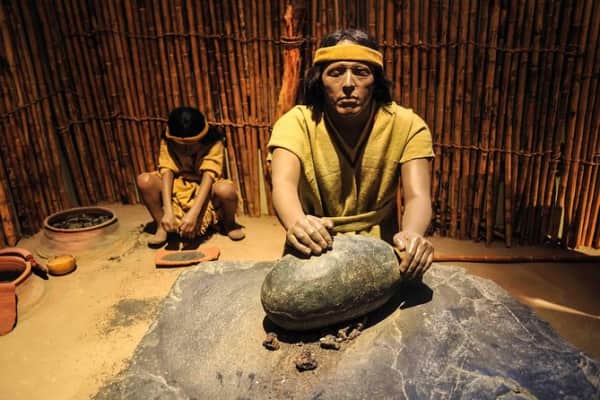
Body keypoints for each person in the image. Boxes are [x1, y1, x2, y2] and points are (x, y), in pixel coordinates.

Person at [268, 29, 434, 280]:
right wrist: (297, 223)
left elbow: (418, 196)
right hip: (315, 244)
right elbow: (283, 184)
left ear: (375, 81)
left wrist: (412, 235)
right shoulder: (295, 123)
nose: (348, 83)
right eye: (335, 72)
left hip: (383, 250)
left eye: (360, 72)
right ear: (320, 80)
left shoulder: (408, 126)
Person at [137, 106, 244, 247]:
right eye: (180, 144)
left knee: (226, 190)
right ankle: (161, 226)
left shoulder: (214, 142)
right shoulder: (168, 140)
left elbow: (209, 175)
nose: (185, 149)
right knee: (144, 181)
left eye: (191, 144)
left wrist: (194, 213)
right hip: (177, 187)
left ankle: (229, 224)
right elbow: (167, 170)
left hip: (205, 189)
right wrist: (168, 212)